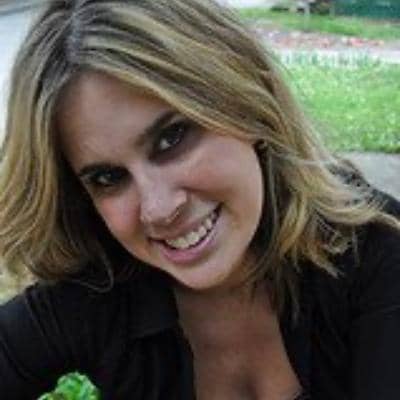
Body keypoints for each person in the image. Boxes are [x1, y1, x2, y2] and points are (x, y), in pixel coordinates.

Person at [0, 0, 399, 399]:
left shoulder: (373, 249)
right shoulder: (99, 292)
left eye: (171, 138)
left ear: (249, 103)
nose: (158, 209)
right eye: (108, 178)